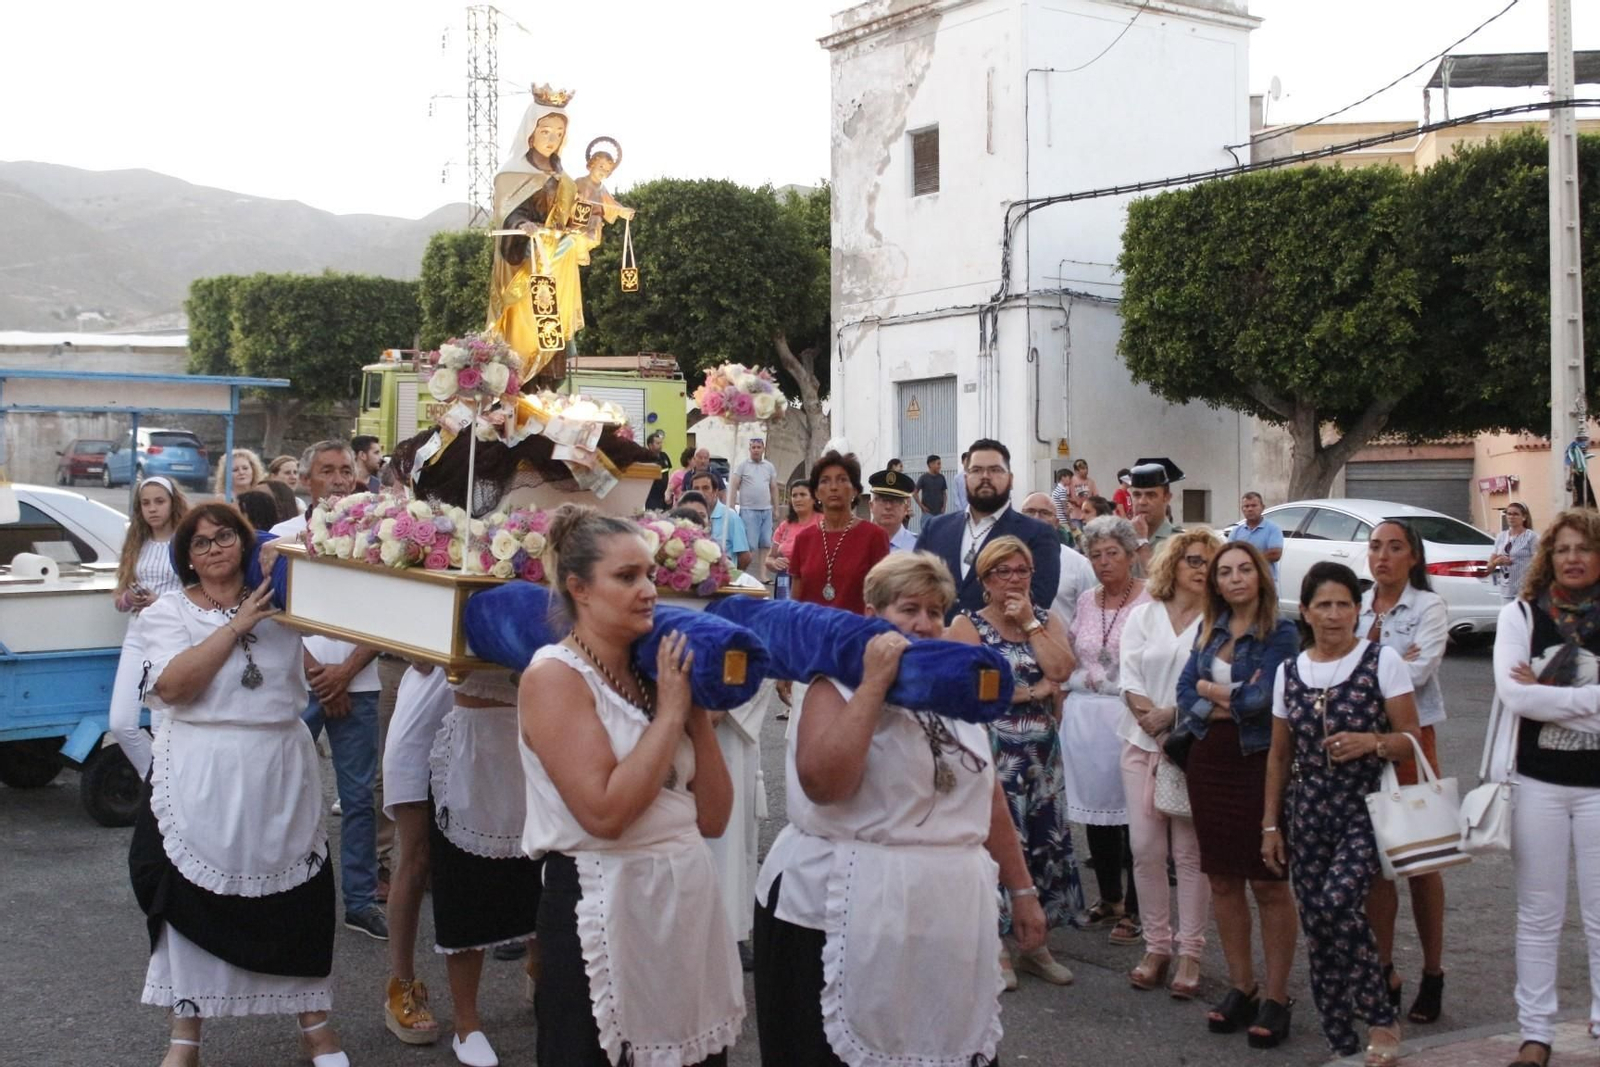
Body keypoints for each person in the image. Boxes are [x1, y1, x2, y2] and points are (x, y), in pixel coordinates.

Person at [755, 552, 1046, 1063]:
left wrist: (1022, 890)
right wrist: (873, 684)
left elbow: (987, 797)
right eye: (909, 609)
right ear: (872, 615)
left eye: (935, 612)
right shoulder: (831, 685)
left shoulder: (953, 692)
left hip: (946, 911)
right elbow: (825, 784)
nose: (924, 625)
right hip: (844, 905)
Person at [519, 505, 744, 1065]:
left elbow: (715, 818)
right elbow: (605, 814)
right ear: (579, 588)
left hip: (684, 898)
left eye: (649, 574)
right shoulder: (555, 676)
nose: (648, 591)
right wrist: (670, 716)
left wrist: (695, 715)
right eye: (626, 577)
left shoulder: (655, 674)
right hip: (602, 899)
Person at [131, 503, 348, 1067]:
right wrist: (236, 626)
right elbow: (175, 688)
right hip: (202, 764)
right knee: (190, 897)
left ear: (244, 542)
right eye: (201, 543)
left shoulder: (282, 599)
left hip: (278, 765)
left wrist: (290, 556)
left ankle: (316, 1026)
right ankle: (185, 1036)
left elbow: (343, 594)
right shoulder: (169, 611)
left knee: (298, 898)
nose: (215, 549)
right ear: (187, 558)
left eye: (225, 536)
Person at [1263, 562, 1420, 1063]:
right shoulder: (1289, 671)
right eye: (1323, 605)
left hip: (1363, 805)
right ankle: (1341, 1042)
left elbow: (1410, 738)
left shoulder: (1381, 660)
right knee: (1318, 927)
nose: (1334, 615)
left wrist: (1373, 742)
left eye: (1344, 604)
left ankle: (1379, 1015)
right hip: (1307, 809)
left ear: (1358, 610)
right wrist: (1270, 824)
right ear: (1306, 613)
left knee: (1336, 904)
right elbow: (1279, 755)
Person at [1174, 541, 1300, 1047]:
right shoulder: (1210, 629)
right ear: (1216, 583)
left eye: (1245, 569)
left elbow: (1265, 699)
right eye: (1225, 572)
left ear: (1260, 576)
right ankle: (1241, 986)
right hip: (1209, 762)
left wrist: (1212, 693)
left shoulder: (1281, 632)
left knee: (1269, 881)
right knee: (1223, 879)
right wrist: (1220, 697)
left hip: (1258, 761)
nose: (1235, 578)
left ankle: (1277, 996)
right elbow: (1184, 691)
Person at [1490, 509, 1600, 1067]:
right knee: (1538, 914)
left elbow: (1535, 697)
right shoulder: (1521, 615)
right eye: (1563, 549)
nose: (1573, 558)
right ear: (1548, 557)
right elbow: (1516, 697)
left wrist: (1548, 695)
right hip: (1537, 784)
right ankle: (1536, 1035)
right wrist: (1592, 701)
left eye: (1585, 548)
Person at [948, 536, 1078, 989]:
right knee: (999, 844)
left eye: (1021, 570)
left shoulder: (1045, 620)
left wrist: (1030, 624)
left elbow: (1061, 669)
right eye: (1002, 571)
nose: (1013, 579)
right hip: (993, 750)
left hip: (1041, 755)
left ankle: (1035, 945)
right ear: (985, 580)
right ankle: (995, 944)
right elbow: (969, 688)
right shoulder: (966, 626)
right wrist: (1030, 691)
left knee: (1043, 841)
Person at [271, 441, 388, 942]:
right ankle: (280, 891)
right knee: (284, 792)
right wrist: (319, 672)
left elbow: (392, 612)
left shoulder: (381, 534)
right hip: (299, 682)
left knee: (359, 800)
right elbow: (271, 611)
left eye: (345, 470)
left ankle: (360, 902)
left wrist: (346, 672)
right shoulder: (282, 537)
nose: (339, 479)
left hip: (358, 682)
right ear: (306, 480)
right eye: (327, 471)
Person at [1118, 530, 1219, 999]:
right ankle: (1156, 946)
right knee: (1144, 849)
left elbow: (1218, 685)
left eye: (1210, 563)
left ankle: (1191, 952)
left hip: (1194, 748)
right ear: (1173, 563)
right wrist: (1158, 730)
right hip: (1141, 742)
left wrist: (1174, 719)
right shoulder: (1144, 615)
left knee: (1191, 855)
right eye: (1194, 560)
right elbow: (1129, 679)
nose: (1203, 569)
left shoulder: (1219, 621)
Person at [1358, 520, 1451, 1025]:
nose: (1383, 557)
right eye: (1376, 547)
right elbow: (1335, 660)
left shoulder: (1427, 606)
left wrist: (1366, 666)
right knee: (1375, 864)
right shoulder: (1355, 604)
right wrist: (1391, 660)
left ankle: (1433, 972)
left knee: (1421, 860)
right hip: (1361, 742)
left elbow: (1420, 670)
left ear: (1413, 557)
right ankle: (1383, 971)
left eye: (1395, 548)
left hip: (1412, 739)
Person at [429, 663, 544, 1066]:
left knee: (546, 879)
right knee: (466, 884)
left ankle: (543, 978)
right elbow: (422, 658)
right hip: (477, 737)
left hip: (543, 730)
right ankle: (466, 1022)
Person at [1061, 515, 1151, 946]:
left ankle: (1137, 906)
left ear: (1131, 555)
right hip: (1085, 717)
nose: (1103, 562)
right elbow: (1074, 652)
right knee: (1095, 811)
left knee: (1135, 814)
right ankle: (1110, 897)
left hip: (1129, 714)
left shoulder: (1150, 600)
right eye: (1095, 555)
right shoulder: (1085, 601)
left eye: (1112, 553)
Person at [381, 664, 455, 1047]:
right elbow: (423, 658)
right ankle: (402, 986)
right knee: (416, 857)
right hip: (425, 720)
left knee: (517, 852)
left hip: (493, 718)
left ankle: (539, 968)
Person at [914, 438, 1060, 621]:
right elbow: (913, 586)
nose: (985, 476)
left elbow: (1039, 599)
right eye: (976, 470)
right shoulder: (936, 528)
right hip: (936, 636)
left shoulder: (1038, 534)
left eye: (995, 470)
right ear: (965, 479)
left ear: (1011, 480)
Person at [109, 477, 189, 779]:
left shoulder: (185, 542)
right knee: (121, 723)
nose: (152, 509)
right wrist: (130, 597)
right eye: (145, 503)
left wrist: (161, 600)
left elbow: (198, 593)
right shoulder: (136, 542)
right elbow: (119, 600)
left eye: (159, 501)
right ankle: (156, 783)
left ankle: (168, 791)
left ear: (172, 503)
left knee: (161, 725)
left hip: (173, 637)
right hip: (138, 633)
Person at [789, 451, 890, 615]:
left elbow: (883, 599)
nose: (834, 487)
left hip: (856, 628)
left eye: (842, 480)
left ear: (855, 490)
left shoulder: (874, 536)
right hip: (810, 628)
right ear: (816, 493)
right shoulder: (803, 539)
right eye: (825, 481)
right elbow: (795, 602)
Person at [1019, 492, 1095, 629]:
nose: (1036, 518)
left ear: (1056, 523)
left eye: (1044, 513)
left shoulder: (1078, 565)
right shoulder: (1002, 560)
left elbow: (1092, 614)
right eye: (1030, 511)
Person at [730, 437, 779, 578]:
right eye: (753, 447)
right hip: (749, 511)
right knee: (749, 546)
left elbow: (773, 487)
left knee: (765, 544)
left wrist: (775, 508)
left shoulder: (769, 466)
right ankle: (741, 575)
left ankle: (763, 576)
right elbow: (734, 485)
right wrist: (731, 506)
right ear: (750, 449)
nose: (756, 450)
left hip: (766, 510)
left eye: (759, 447)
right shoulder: (743, 466)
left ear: (763, 449)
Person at [1127, 458, 1183, 573]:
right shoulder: (1120, 539)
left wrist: (1141, 542)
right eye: (1137, 495)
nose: (1142, 502)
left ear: (1167, 497)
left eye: (1151, 495)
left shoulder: (1179, 542)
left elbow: (1160, 582)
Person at [688, 469, 752, 571]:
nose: (700, 492)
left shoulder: (730, 517)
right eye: (696, 488)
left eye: (705, 488)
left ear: (715, 492)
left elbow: (745, 557)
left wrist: (733, 577)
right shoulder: (688, 517)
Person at [1229, 492, 1284, 583]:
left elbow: (1275, 554)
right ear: (1242, 509)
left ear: (1262, 507)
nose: (1250, 509)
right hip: (1242, 581)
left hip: (1265, 581)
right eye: (1246, 506)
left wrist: (1247, 560)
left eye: (1254, 505)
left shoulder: (1273, 529)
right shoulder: (1236, 532)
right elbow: (1230, 555)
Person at [767, 480, 819, 576]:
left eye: (803, 495)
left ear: (814, 498)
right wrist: (774, 563)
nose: (797, 499)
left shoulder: (824, 523)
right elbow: (769, 559)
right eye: (794, 496)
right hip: (786, 579)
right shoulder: (785, 525)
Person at [1490, 501, 1537, 603]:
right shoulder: (1501, 537)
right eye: (1509, 514)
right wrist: (1496, 562)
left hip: (1524, 590)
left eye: (1515, 514)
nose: (1511, 517)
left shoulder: (1531, 537)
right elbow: (1489, 566)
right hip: (1506, 590)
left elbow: (1538, 562)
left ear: (1524, 517)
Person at [868, 467, 918, 552]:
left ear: (906, 508)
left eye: (895, 501)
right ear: (871, 506)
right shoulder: (858, 543)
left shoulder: (918, 547)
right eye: (882, 500)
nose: (888, 507)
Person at [643, 430, 672, 512]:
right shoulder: (646, 458)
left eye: (661, 443)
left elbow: (668, 473)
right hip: (652, 497)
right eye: (657, 443)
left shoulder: (664, 456)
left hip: (665, 496)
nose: (660, 445)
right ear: (650, 445)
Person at [913, 454, 948, 520]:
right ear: (931, 464)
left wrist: (944, 507)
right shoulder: (923, 478)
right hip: (927, 514)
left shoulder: (941, 477)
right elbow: (914, 493)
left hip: (939, 513)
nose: (940, 466)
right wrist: (922, 506)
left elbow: (944, 494)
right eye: (938, 464)